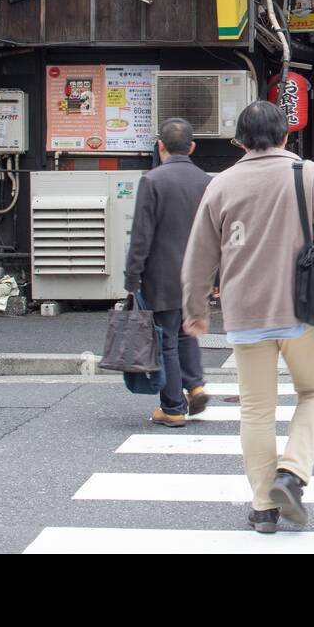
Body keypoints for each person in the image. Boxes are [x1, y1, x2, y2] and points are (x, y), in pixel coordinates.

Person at [182, 100, 314, 535]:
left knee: (257, 411)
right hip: (301, 309)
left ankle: (263, 506)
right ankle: (292, 473)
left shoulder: (220, 184)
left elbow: (198, 257)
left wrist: (195, 310)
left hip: (244, 315)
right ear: (285, 136)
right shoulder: (306, 173)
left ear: (239, 141)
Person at [124, 118, 212, 427]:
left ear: (160, 146)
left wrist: (131, 278)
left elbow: (141, 236)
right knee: (187, 334)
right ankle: (196, 384)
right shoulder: (206, 181)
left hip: (160, 276)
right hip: (197, 275)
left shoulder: (152, 180)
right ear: (192, 147)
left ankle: (173, 407)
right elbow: (216, 233)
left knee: (167, 342)